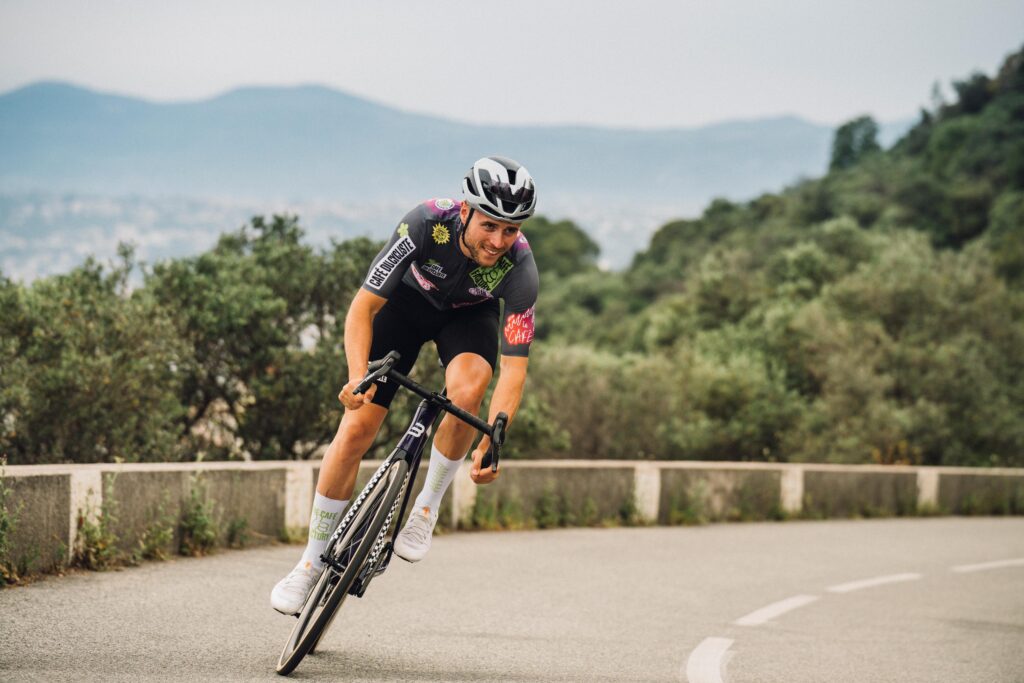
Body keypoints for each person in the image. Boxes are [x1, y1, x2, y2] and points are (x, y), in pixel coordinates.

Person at [271, 156, 540, 615]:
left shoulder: (520, 268)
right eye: (490, 226)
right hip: (404, 307)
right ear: (465, 211)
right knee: (356, 429)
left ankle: (426, 508)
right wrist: (357, 376)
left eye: (510, 230)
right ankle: (309, 563)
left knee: (468, 391)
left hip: (467, 318)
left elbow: (514, 369)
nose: (498, 241)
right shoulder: (425, 222)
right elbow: (362, 308)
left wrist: (494, 437)